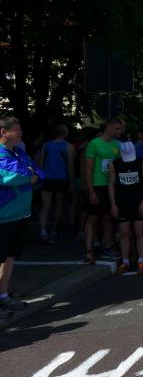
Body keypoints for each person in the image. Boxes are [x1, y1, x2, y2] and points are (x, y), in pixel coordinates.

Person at [0, 116, 44, 317]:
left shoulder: (19, 153)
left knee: (9, 257)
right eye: (17, 130)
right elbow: (13, 176)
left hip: (19, 214)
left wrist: (30, 174)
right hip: (3, 215)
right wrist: (29, 175)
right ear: (3, 132)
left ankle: (3, 295)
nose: (21, 133)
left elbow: (38, 173)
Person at [83, 118, 123, 263]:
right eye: (117, 129)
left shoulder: (117, 145)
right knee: (93, 218)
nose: (120, 132)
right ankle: (88, 250)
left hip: (111, 186)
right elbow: (88, 170)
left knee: (108, 218)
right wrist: (91, 191)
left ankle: (107, 246)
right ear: (109, 126)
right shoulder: (94, 144)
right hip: (97, 185)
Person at [108, 141, 143, 274]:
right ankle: (125, 262)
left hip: (138, 202)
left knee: (140, 232)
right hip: (122, 203)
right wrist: (113, 205)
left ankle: (141, 261)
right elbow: (111, 184)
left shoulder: (142, 162)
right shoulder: (115, 164)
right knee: (124, 233)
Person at [38, 124, 75, 243]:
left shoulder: (46, 145)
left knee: (45, 205)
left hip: (47, 178)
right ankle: (54, 230)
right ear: (64, 133)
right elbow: (70, 166)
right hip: (61, 179)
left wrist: (40, 177)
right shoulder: (69, 146)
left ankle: (43, 230)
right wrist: (71, 182)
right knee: (59, 205)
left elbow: (41, 163)